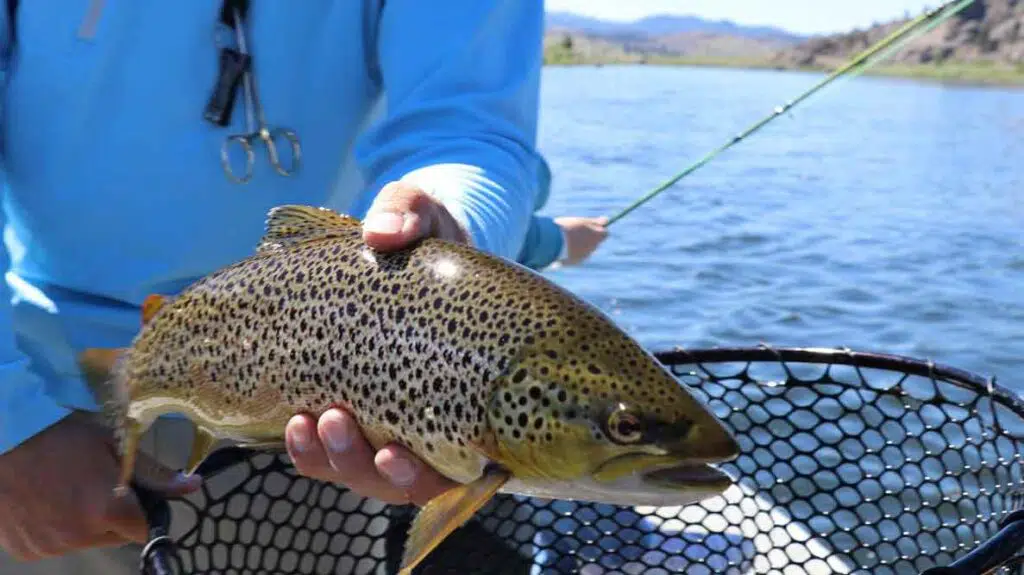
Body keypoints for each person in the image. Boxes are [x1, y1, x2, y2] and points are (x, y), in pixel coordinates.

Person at [0, 1, 564, 573]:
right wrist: (10, 422)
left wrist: (449, 226)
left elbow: (467, 123)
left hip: (341, 415)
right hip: (40, 395)